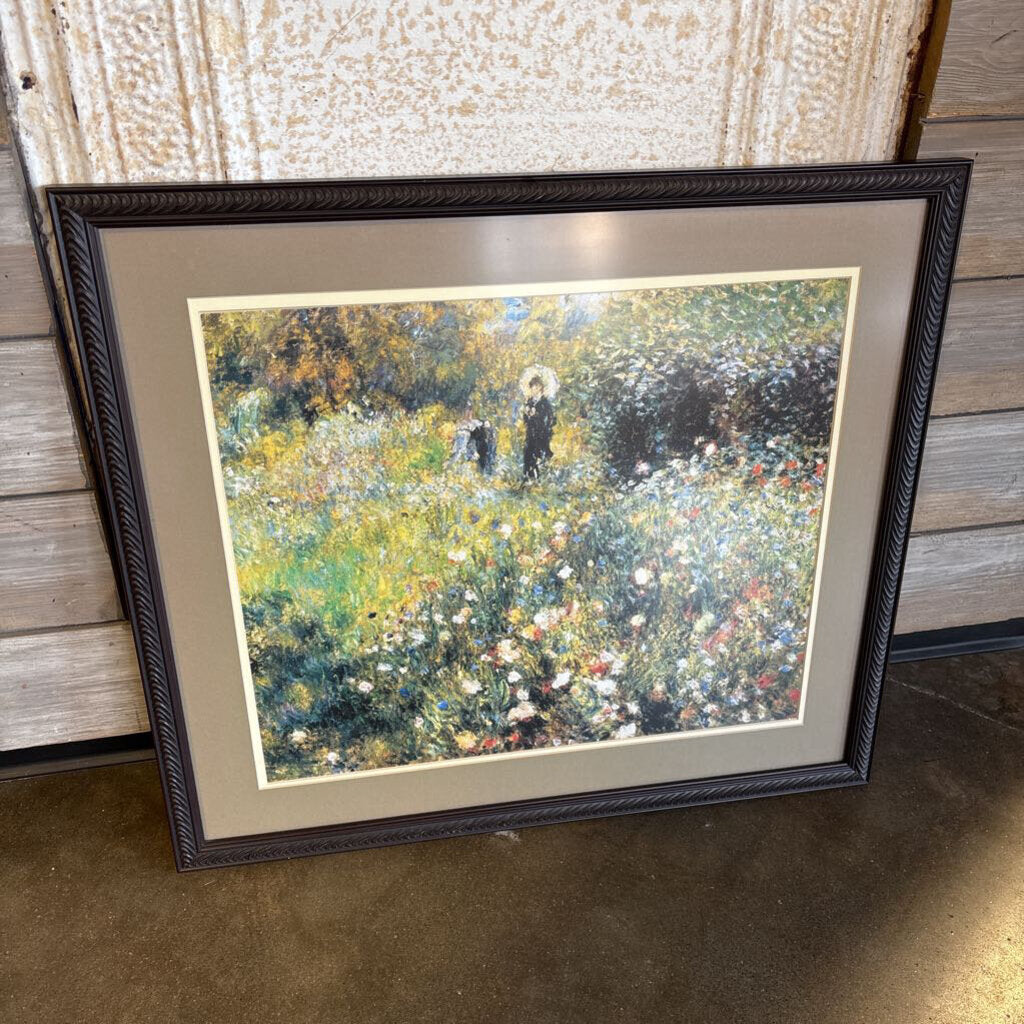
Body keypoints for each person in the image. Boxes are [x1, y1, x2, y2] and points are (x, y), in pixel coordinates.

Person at [522, 374, 555, 480]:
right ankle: (528, 477)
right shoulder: (529, 402)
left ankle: (540, 478)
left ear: (540, 387)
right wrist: (527, 414)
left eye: (535, 387)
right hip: (530, 434)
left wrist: (536, 415)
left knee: (539, 456)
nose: (533, 389)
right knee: (527, 454)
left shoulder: (545, 403)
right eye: (532, 387)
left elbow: (549, 420)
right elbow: (526, 421)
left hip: (542, 435)